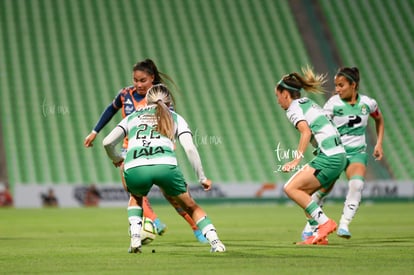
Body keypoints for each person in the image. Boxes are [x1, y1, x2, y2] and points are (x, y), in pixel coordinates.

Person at [84, 58, 207, 243]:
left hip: (157, 149)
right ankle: (154, 221)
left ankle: (195, 228)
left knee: (174, 198)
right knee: (134, 192)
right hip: (129, 149)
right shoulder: (125, 94)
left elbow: (169, 122)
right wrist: (95, 132)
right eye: (135, 80)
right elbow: (110, 110)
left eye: (143, 80)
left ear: (152, 79)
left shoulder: (160, 97)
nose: (138, 84)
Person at [102, 84, 226, 253]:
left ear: (146, 100)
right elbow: (190, 148)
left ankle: (135, 240)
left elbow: (107, 142)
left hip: (136, 165)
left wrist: (117, 158)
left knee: (136, 197)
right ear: (169, 102)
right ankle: (216, 243)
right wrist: (202, 178)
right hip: (165, 165)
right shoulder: (175, 118)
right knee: (191, 207)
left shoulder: (132, 117)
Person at [302, 66, 384, 240]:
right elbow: (320, 125)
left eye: (341, 85)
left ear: (353, 85)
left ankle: (344, 224)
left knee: (357, 184)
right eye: (336, 85)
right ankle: (310, 226)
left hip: (357, 153)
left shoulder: (368, 103)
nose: (337, 89)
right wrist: (319, 145)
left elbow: (379, 119)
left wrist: (378, 144)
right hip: (335, 153)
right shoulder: (332, 104)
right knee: (321, 191)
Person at [274, 66, 347, 245]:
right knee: (305, 194)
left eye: (277, 96)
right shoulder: (307, 102)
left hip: (330, 157)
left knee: (290, 188)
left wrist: (296, 159)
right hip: (339, 156)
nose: (278, 101)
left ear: (285, 94)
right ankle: (318, 236)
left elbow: (305, 132)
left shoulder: (293, 108)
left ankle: (325, 223)